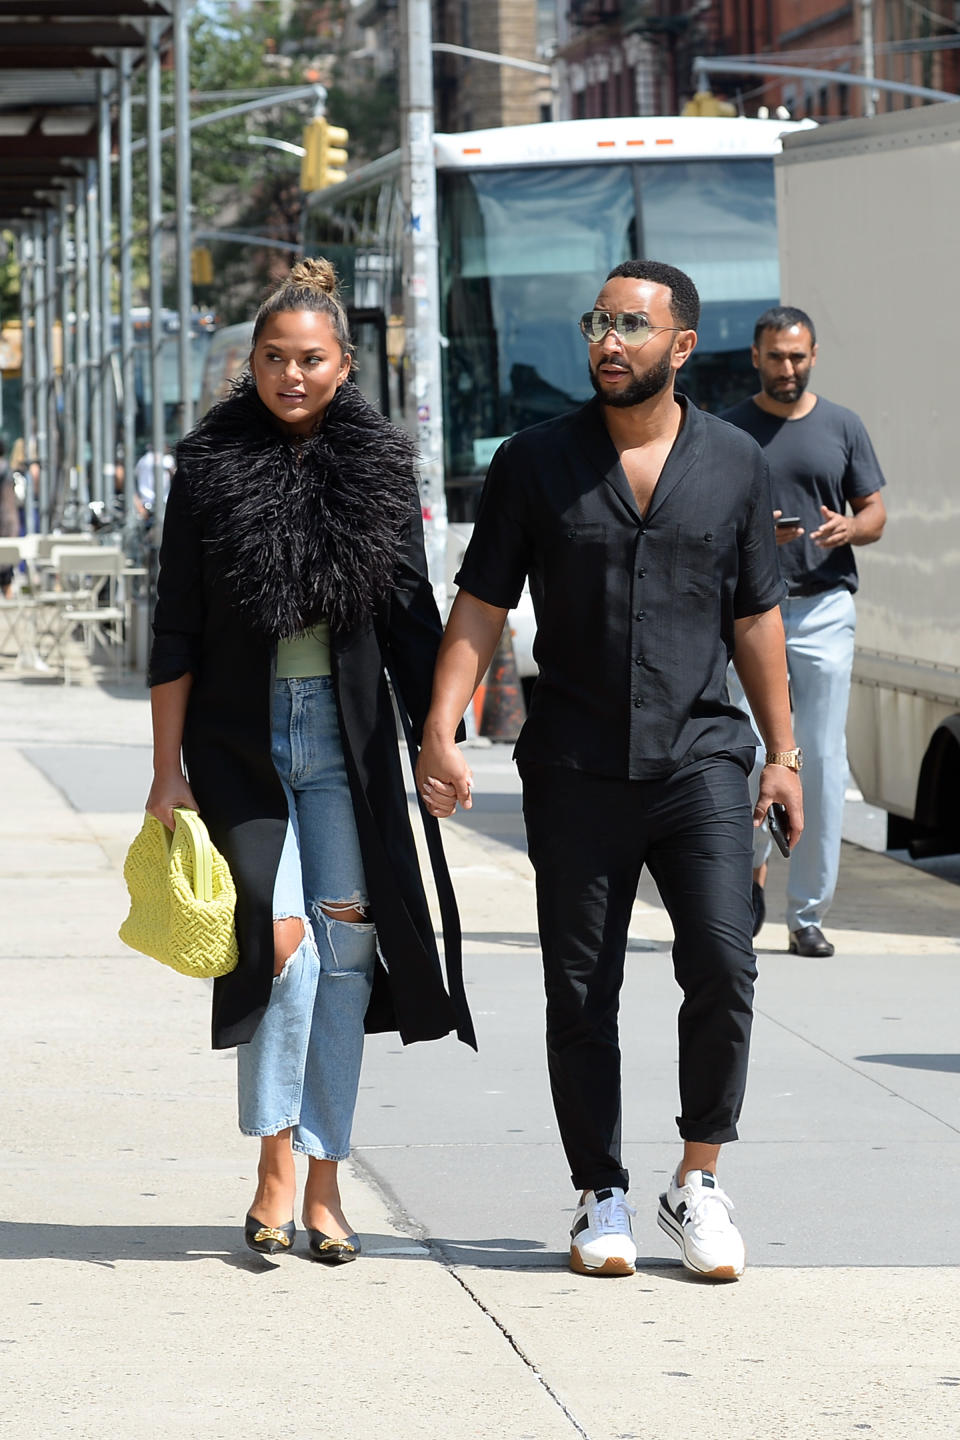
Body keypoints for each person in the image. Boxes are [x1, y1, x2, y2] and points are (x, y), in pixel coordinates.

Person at [415, 259, 803, 1281]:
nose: (608, 341)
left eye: (632, 325)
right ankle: (602, 1193)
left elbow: (757, 616)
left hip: (703, 758)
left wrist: (786, 755)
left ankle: (699, 1181)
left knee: (723, 958)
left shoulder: (732, 464)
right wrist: (441, 727)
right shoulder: (535, 462)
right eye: (598, 323)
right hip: (577, 763)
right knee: (579, 987)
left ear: (681, 346)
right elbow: (483, 604)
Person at [146, 258, 475, 1264]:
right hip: (239, 744)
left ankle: (326, 1180)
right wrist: (167, 771)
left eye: (312, 358)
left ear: (344, 365)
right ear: (250, 362)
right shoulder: (208, 467)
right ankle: (274, 1164)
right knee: (278, 944)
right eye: (275, 357)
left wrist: (438, 734)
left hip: (348, 741)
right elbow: (175, 630)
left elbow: (415, 620)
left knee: (347, 951)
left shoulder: (379, 465)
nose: (293, 374)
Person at [722, 307, 886, 958]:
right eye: (775, 356)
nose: (786, 367)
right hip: (749, 612)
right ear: (755, 357)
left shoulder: (843, 426)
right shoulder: (729, 432)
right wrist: (760, 535)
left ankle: (808, 915)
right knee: (747, 754)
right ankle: (747, 875)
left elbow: (874, 512)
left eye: (797, 356)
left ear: (813, 354)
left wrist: (851, 528)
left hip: (822, 610)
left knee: (817, 759)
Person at [134, 445, 174, 514]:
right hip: (163, 502)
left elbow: (136, 476)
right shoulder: (166, 459)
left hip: (144, 503)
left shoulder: (143, 460)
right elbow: (174, 475)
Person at [0, 440, 16, 598]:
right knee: (5, 563)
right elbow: (9, 502)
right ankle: (8, 593)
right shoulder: (6, 470)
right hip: (4, 521)